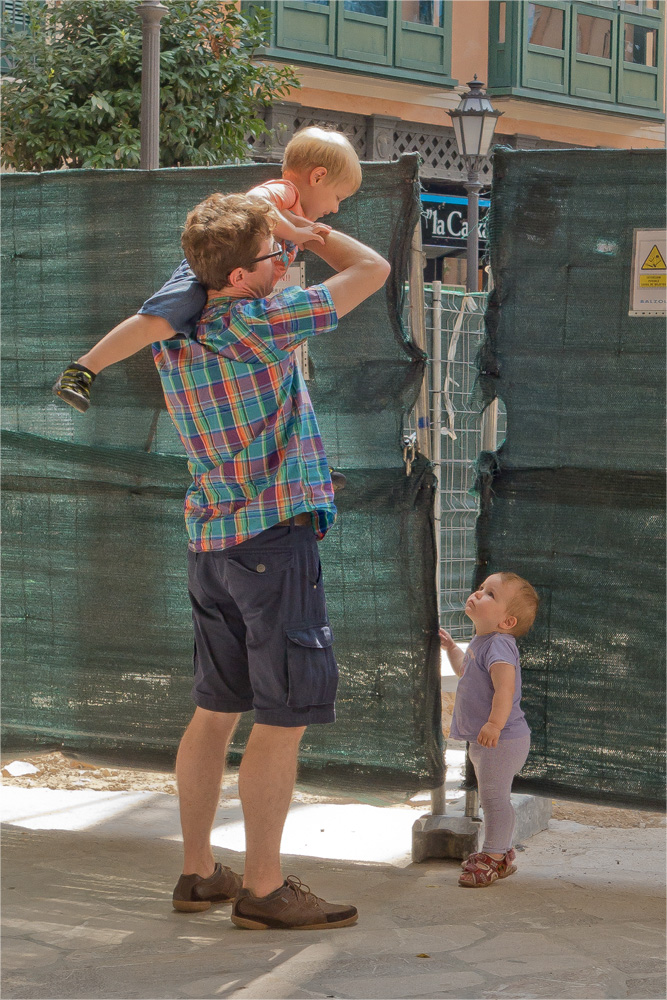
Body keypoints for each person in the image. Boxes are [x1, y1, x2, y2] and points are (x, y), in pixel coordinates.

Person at [110, 191, 389, 929]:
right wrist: (314, 231)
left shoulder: (171, 328)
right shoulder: (262, 321)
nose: (284, 262)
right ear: (238, 279)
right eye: (272, 257)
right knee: (281, 718)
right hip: (273, 541)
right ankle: (264, 890)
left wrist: (270, 236)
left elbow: (205, 269)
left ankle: (197, 873)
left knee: (213, 713)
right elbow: (372, 268)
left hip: (211, 542)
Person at [52, 126, 361, 414]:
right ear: (317, 176)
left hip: (233, 294)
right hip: (207, 273)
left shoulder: (294, 212)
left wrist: (299, 227)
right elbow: (255, 202)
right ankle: (84, 369)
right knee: (157, 323)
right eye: (338, 197)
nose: (335, 209)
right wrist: (295, 232)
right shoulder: (285, 191)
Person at [439, 572, 539, 889]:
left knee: (495, 800)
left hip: (502, 738)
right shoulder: (483, 642)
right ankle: (500, 854)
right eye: (481, 588)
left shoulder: (499, 646)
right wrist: (452, 648)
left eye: (490, 594)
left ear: (507, 622)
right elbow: (465, 671)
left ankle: (494, 856)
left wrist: (495, 724)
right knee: (491, 798)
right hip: (490, 740)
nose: (478, 593)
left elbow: (505, 690)